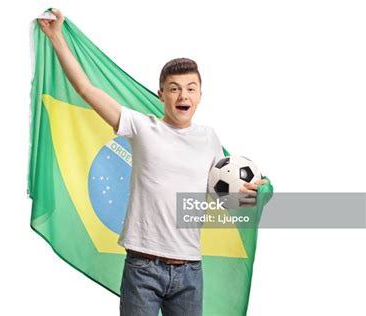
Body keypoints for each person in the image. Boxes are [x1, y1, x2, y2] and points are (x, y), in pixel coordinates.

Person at [38, 8, 267, 316]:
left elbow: (218, 196)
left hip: (189, 272)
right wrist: (57, 39)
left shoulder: (209, 138)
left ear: (200, 95)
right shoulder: (142, 127)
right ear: (161, 94)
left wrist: (247, 195)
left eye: (190, 88)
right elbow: (86, 89)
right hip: (142, 269)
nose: (182, 95)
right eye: (174, 88)